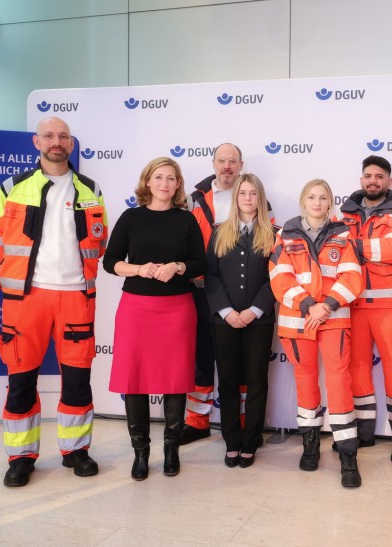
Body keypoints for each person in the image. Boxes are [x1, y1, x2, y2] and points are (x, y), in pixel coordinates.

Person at [0, 117, 107, 487]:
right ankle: (21, 457)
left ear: (71, 144)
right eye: (50, 136)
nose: (57, 142)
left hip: (76, 296)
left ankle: (76, 451)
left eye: (64, 136)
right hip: (26, 298)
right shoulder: (12, 188)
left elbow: (100, 243)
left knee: (77, 380)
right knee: (21, 379)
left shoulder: (90, 189)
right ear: (36, 141)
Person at [103, 157, 206, 480]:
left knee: (176, 378)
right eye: (158, 177)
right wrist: (139, 269)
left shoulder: (186, 220)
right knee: (134, 379)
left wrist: (177, 267)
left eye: (171, 178)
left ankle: (171, 449)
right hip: (136, 308)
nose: (164, 183)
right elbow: (110, 262)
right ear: (147, 182)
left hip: (177, 309)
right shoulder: (131, 218)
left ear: (178, 186)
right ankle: (141, 452)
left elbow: (200, 263)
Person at [269, 179, 364, 488]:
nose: (317, 202)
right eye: (311, 196)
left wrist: (328, 304)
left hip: (334, 319)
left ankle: (348, 454)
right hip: (298, 321)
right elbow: (279, 277)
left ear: (330, 203)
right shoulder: (284, 236)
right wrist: (310, 304)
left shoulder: (343, 235)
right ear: (302, 201)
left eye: (323, 197)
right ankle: (310, 445)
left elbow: (352, 275)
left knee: (339, 384)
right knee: (306, 383)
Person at [184, 143, 275, 445]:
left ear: (240, 165)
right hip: (208, 296)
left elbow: (272, 271)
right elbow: (198, 253)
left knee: (250, 374)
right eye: (221, 160)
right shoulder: (196, 199)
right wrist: (223, 309)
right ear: (213, 163)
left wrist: (253, 310)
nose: (226, 166)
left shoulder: (267, 220)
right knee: (207, 363)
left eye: (232, 161)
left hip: (252, 307)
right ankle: (201, 423)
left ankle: (248, 431)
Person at [338, 155, 392, 462]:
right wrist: (364, 247)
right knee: (357, 369)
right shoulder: (343, 213)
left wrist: (352, 246)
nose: (373, 180)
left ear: (389, 182)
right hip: (353, 305)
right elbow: (333, 251)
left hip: (389, 307)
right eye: (368, 175)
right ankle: (363, 433)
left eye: (379, 176)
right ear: (361, 180)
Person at [205, 174, 276, 469]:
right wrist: (227, 312)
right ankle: (231, 440)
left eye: (252, 193)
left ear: (260, 199)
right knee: (229, 382)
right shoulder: (219, 232)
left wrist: (254, 310)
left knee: (257, 381)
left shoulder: (274, 234)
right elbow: (211, 275)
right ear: (235, 199)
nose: (247, 198)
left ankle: (251, 440)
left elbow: (277, 277)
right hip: (225, 322)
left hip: (258, 321)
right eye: (242, 193)